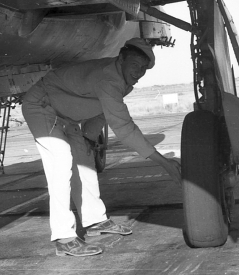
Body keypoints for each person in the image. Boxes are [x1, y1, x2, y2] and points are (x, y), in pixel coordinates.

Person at [22, 38, 182, 257]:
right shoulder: (109, 79)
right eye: (135, 65)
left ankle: (95, 221)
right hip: (42, 107)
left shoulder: (121, 79)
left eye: (144, 68)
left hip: (65, 116)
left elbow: (101, 110)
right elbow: (124, 127)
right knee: (60, 163)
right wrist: (164, 163)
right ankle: (64, 238)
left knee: (85, 163)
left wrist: (88, 136)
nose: (138, 72)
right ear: (122, 59)